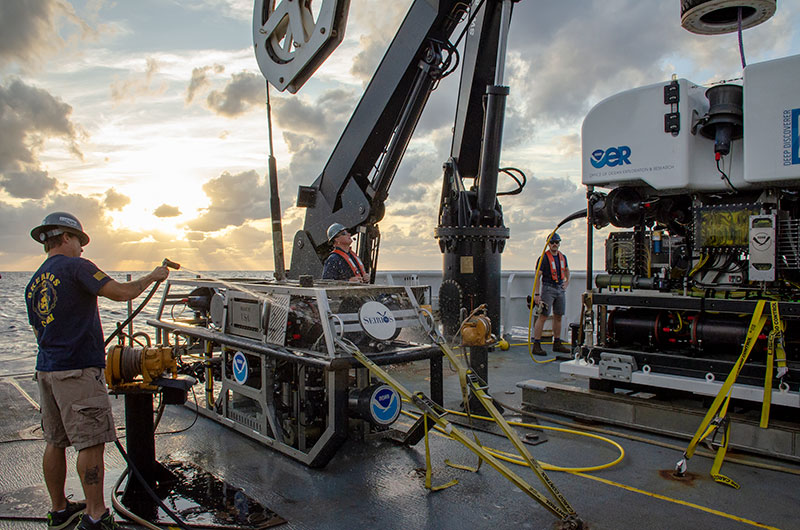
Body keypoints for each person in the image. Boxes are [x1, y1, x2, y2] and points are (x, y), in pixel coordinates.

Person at [25, 212, 170, 530]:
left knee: (55, 441)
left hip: (47, 371)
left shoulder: (34, 282)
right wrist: (153, 277)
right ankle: (95, 515)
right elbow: (121, 293)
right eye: (79, 241)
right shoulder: (78, 267)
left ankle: (60, 510)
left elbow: (39, 332)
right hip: (77, 373)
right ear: (66, 237)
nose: (81, 249)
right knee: (90, 443)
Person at [532, 232, 571, 356]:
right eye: (552, 242)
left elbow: (567, 270)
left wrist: (567, 282)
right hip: (548, 288)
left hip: (560, 288)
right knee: (543, 316)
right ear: (548, 244)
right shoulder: (543, 258)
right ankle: (536, 344)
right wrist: (537, 294)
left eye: (557, 242)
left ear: (559, 244)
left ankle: (557, 343)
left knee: (558, 316)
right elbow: (537, 276)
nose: (554, 244)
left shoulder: (563, 257)